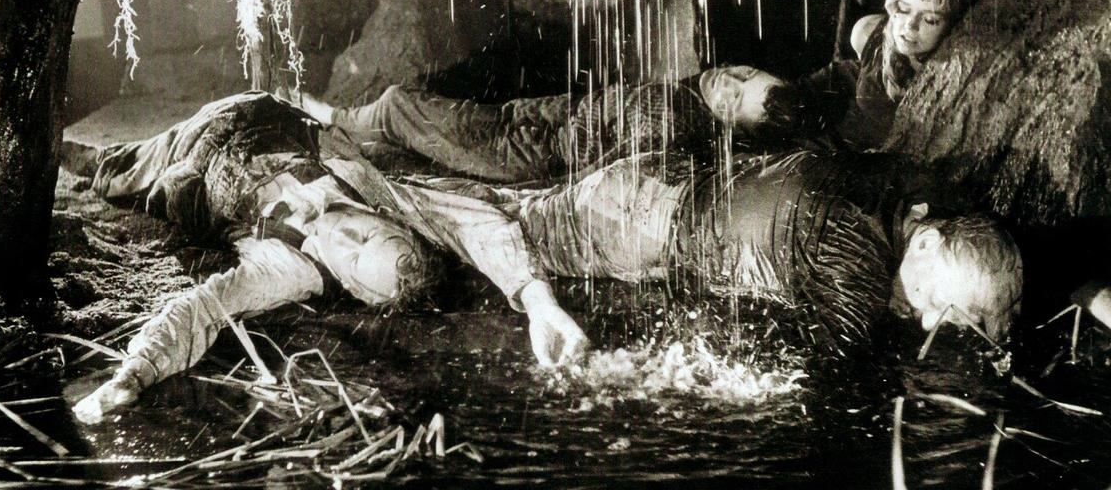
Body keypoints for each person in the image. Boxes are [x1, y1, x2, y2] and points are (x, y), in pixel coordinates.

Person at [72, 91, 587, 424]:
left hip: (189, 157)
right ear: (389, 222)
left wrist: (134, 374)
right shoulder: (381, 195)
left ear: (354, 288)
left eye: (354, 258)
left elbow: (200, 309)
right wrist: (539, 302)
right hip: (257, 109)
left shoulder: (284, 270)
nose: (345, 235)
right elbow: (477, 225)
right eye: (370, 234)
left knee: (113, 173)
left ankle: (90, 159)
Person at [434, 148, 1023, 351]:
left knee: (515, 203)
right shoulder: (858, 260)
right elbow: (834, 375)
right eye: (933, 301)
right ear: (926, 240)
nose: (927, 320)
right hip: (635, 223)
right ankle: (380, 175)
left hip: (664, 179)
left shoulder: (909, 195)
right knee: (483, 224)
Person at [296, 66, 810, 183]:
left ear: (733, 128)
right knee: (415, 118)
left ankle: (328, 119)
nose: (726, 81)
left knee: (399, 107)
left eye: (733, 98)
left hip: (531, 153)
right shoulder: (683, 96)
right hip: (530, 127)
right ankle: (341, 128)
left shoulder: (672, 117)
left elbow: (603, 160)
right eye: (746, 73)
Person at [803, 0, 979, 150]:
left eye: (930, 19)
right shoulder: (868, 33)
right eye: (904, 9)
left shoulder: (954, 75)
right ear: (894, 5)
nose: (910, 25)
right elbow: (857, 74)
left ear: (953, 27)